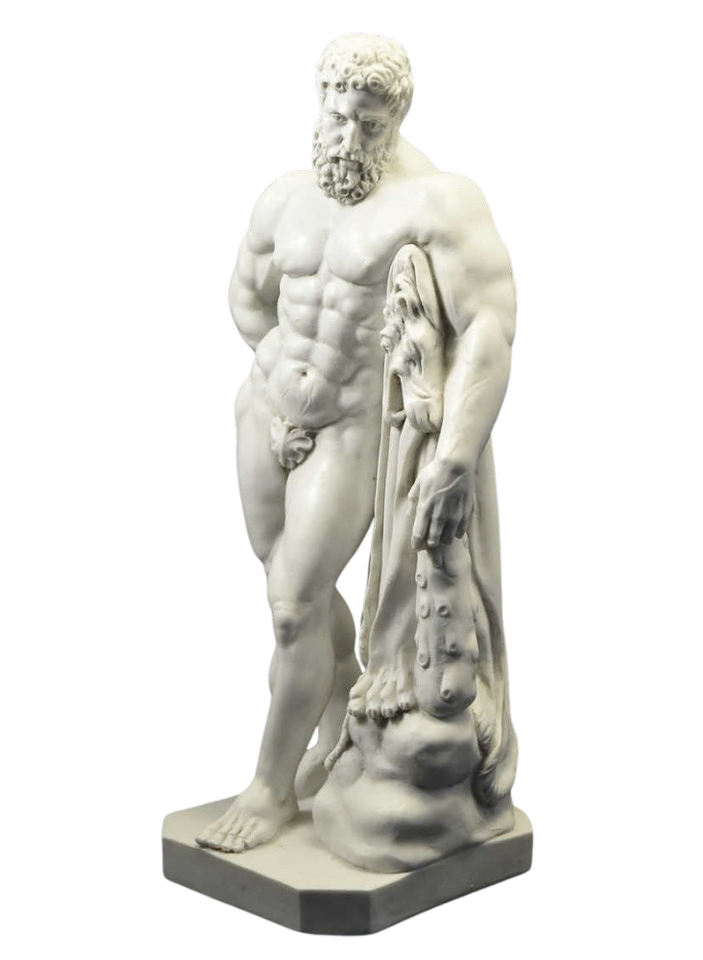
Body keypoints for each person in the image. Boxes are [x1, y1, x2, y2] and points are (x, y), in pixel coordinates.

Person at [196, 33, 516, 853]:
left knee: (293, 604)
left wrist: (454, 454)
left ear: (395, 118)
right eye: (337, 117)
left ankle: (269, 789)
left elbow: (489, 326)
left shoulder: (438, 203)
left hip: (349, 428)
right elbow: (246, 294)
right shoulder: (284, 197)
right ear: (320, 103)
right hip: (262, 412)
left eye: (368, 125)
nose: (347, 138)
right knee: (281, 585)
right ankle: (337, 701)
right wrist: (277, 369)